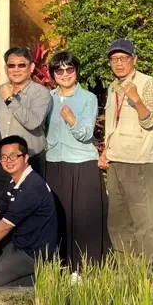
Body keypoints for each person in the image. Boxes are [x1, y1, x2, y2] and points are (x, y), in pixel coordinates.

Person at [0, 136, 58, 288]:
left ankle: (41, 279)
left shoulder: (31, 187)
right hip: (18, 242)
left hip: (32, 253)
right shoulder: (15, 182)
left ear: (25, 157)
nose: (8, 161)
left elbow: (5, 226)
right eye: (4, 157)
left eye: (13, 156)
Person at [45, 52, 110, 273]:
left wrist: (72, 121)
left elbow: (86, 134)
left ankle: (83, 269)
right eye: (59, 70)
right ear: (53, 74)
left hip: (82, 163)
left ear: (77, 71)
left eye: (69, 69)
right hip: (55, 163)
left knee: (83, 219)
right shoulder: (48, 98)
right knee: (59, 217)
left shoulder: (88, 98)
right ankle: (60, 267)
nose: (65, 74)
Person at [103, 39, 153, 260]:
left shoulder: (147, 83)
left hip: (138, 161)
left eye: (123, 58)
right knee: (117, 221)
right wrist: (105, 151)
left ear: (134, 59)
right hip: (115, 160)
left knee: (142, 221)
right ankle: (124, 267)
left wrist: (136, 98)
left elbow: (150, 120)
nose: (119, 63)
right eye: (114, 59)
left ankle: (144, 271)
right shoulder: (113, 86)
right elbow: (112, 124)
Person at [0, 46, 51, 177]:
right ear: (6, 69)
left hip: (30, 161)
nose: (16, 70)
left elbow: (33, 122)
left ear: (31, 67)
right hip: (2, 162)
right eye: (11, 66)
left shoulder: (41, 93)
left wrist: (9, 99)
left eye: (21, 65)